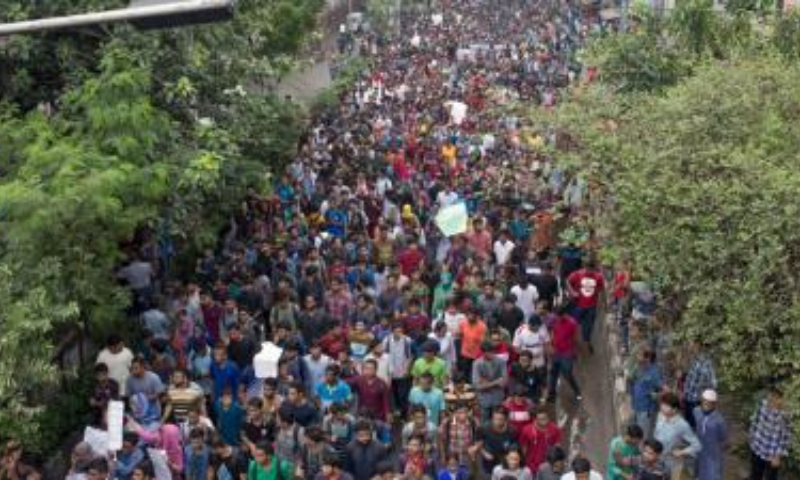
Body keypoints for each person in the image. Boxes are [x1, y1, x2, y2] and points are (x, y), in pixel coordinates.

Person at [748, 385, 792, 480]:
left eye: (777, 397)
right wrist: (752, 438)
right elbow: (755, 421)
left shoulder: (785, 415)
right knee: (755, 475)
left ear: (782, 399)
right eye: (771, 395)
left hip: (772, 454)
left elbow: (786, 437)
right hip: (758, 447)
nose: (772, 399)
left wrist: (778, 456)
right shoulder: (762, 405)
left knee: (771, 477)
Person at [653, 392, 701, 478]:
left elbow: (697, 445)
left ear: (674, 409)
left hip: (672, 464)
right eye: (662, 404)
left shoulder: (682, 425)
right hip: (657, 461)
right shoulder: (660, 415)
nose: (661, 407)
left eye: (665, 406)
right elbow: (656, 435)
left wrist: (681, 452)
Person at [565, 259, 604, 353]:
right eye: (587, 269)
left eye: (591, 269)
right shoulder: (577, 274)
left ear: (594, 268)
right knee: (573, 324)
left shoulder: (598, 277)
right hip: (578, 305)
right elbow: (567, 281)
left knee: (588, 326)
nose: (589, 271)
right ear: (585, 267)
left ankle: (586, 342)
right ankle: (572, 342)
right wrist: (572, 292)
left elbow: (601, 289)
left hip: (591, 306)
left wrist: (601, 304)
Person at [547, 307, 581, 402]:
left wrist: (574, 352)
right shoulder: (553, 321)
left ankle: (577, 391)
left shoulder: (572, 323)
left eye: (560, 316)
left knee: (567, 373)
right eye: (557, 316)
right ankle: (552, 394)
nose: (558, 318)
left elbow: (576, 337)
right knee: (553, 373)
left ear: (565, 314)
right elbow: (550, 332)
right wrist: (551, 345)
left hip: (567, 352)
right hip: (556, 352)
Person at [692, 390, 727, 480]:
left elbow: (723, 437)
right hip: (699, 446)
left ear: (715, 405)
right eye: (704, 402)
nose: (706, 405)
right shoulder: (696, 411)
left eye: (709, 403)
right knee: (698, 466)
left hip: (712, 451)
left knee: (711, 471)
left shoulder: (719, 421)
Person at [682, 342, 717, 428]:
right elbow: (690, 378)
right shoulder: (694, 360)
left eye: (692, 345)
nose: (689, 347)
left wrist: (703, 392)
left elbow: (713, 383)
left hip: (696, 401)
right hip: (687, 398)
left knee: (694, 425)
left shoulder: (706, 363)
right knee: (687, 424)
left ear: (698, 346)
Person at [630, 349, 662, 437]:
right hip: (635, 405)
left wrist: (655, 395)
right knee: (635, 430)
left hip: (645, 409)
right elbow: (632, 380)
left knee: (642, 433)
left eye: (640, 356)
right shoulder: (638, 368)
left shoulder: (654, 373)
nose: (637, 358)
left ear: (647, 359)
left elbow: (661, 389)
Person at [519, 407, 562, 474]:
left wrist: (556, 465)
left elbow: (557, 448)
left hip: (548, 465)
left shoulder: (555, 429)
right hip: (531, 466)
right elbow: (523, 449)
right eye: (541, 419)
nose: (545, 421)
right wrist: (523, 464)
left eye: (546, 418)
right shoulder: (526, 430)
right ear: (535, 419)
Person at [472, 341, 507, 421]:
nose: (492, 354)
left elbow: (504, 382)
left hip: (498, 398)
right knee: (484, 422)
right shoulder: (477, 364)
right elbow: (477, 385)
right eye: (489, 352)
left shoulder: (501, 362)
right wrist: (495, 382)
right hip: (483, 398)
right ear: (483, 352)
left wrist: (486, 382)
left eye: (492, 351)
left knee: (498, 421)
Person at [478, 407, 517, 473]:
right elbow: (478, 444)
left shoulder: (512, 430)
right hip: (489, 462)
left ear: (506, 419)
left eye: (500, 419)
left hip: (504, 461)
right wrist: (484, 453)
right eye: (494, 419)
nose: (496, 421)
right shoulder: (484, 428)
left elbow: (514, 446)